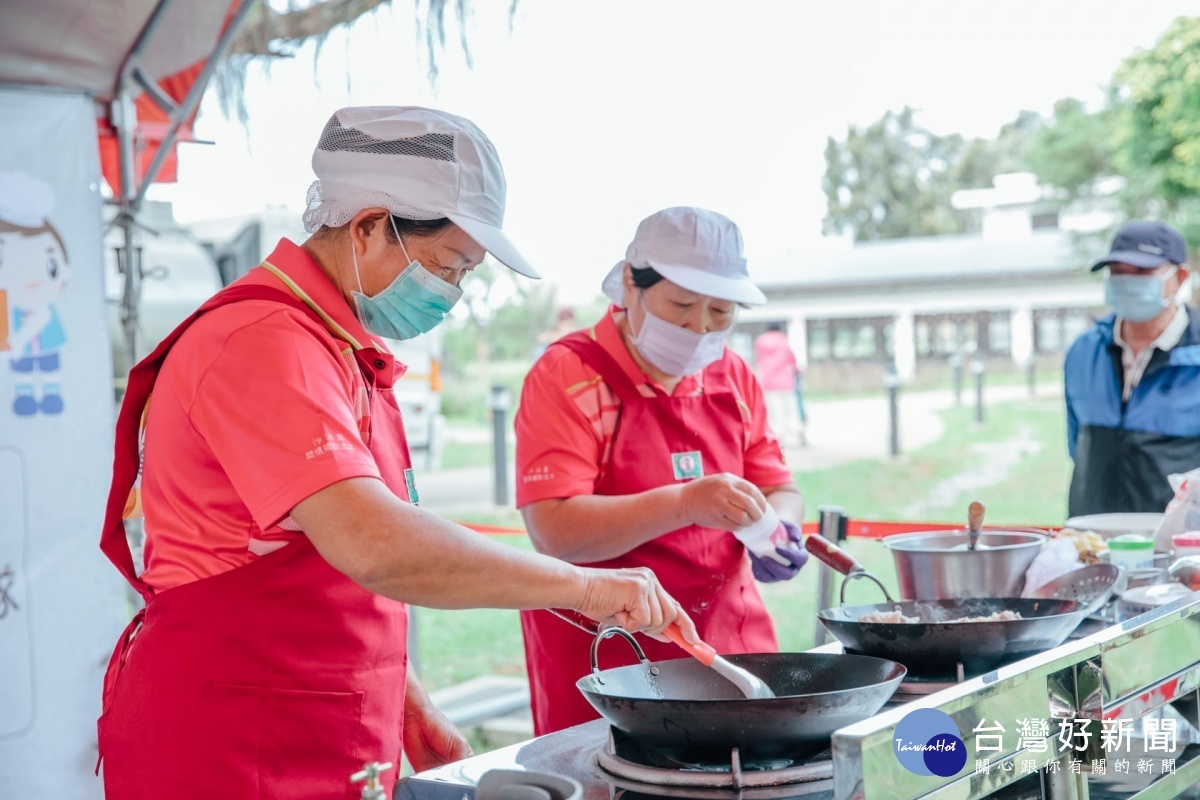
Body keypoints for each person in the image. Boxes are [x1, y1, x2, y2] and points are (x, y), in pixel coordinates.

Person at [96, 107, 695, 800]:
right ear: (369, 226)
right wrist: (587, 587)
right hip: (229, 739)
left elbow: (315, 555)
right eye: (447, 266)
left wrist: (398, 689)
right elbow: (377, 543)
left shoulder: (340, 348)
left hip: (307, 714)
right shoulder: (262, 341)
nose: (451, 294)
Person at [515, 206, 809, 735]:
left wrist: (780, 526)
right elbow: (555, 529)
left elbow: (777, 484)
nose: (699, 328)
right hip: (608, 659)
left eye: (721, 312)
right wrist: (684, 503)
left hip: (729, 643)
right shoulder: (570, 375)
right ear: (630, 284)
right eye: (680, 305)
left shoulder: (732, 376)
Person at [1065, 220, 1200, 516]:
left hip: (1180, 547)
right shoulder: (1084, 351)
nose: (1127, 282)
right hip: (1094, 538)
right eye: (1117, 271)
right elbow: (1078, 444)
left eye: (1142, 272)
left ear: (1179, 277)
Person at [753, 322, 805, 447]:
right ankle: (797, 431)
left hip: (768, 381)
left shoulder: (760, 341)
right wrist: (797, 369)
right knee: (790, 409)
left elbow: (759, 359)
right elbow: (791, 358)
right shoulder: (783, 340)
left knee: (774, 411)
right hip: (785, 381)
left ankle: (778, 436)